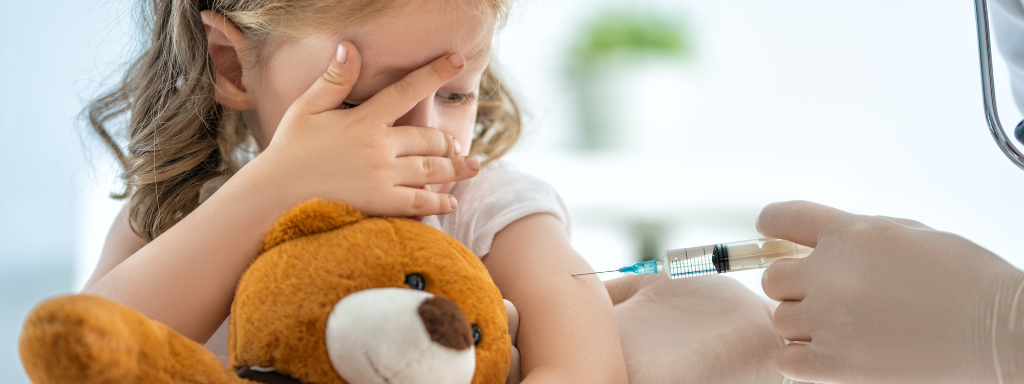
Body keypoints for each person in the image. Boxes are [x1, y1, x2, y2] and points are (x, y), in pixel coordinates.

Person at [79, 0, 627, 382]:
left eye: (456, 96)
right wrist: (271, 191)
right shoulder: (179, 210)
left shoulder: (481, 205)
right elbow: (81, 356)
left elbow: (585, 358)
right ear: (233, 67)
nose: (420, 133)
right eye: (358, 100)